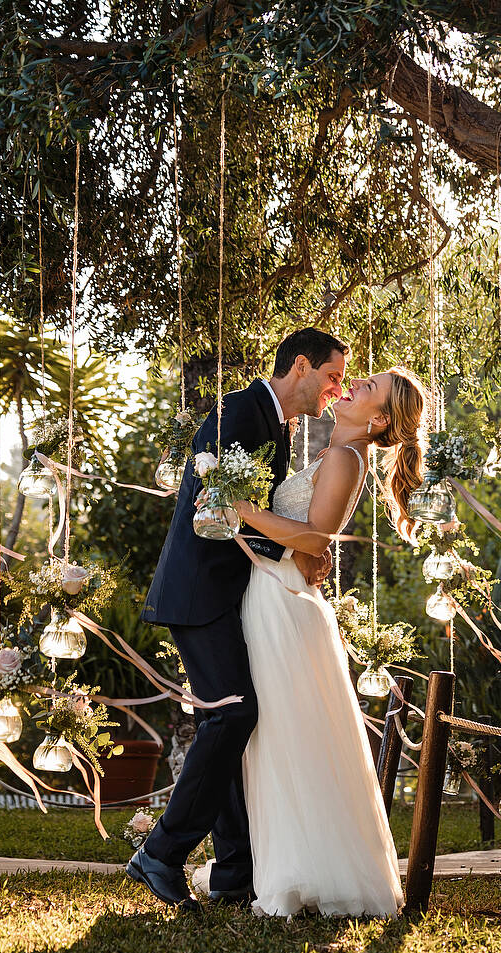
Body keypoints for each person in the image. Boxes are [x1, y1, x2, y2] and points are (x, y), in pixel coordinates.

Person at [195, 365, 428, 918]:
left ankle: (298, 876)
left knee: (282, 740)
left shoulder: (348, 460)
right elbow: (307, 540)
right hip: (277, 592)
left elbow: (315, 537)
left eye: (369, 388)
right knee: (278, 740)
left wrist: (241, 507)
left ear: (377, 420)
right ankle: (277, 866)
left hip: (283, 604)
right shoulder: (333, 456)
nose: (355, 385)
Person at [127, 327, 347, 911]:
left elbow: (257, 512)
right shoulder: (240, 413)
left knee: (229, 719)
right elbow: (216, 505)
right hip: (199, 594)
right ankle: (161, 854)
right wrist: (295, 547)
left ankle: (231, 874)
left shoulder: (275, 423)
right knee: (234, 715)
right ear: (300, 367)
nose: (336, 389)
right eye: (331, 377)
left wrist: (298, 554)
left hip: (229, 594)